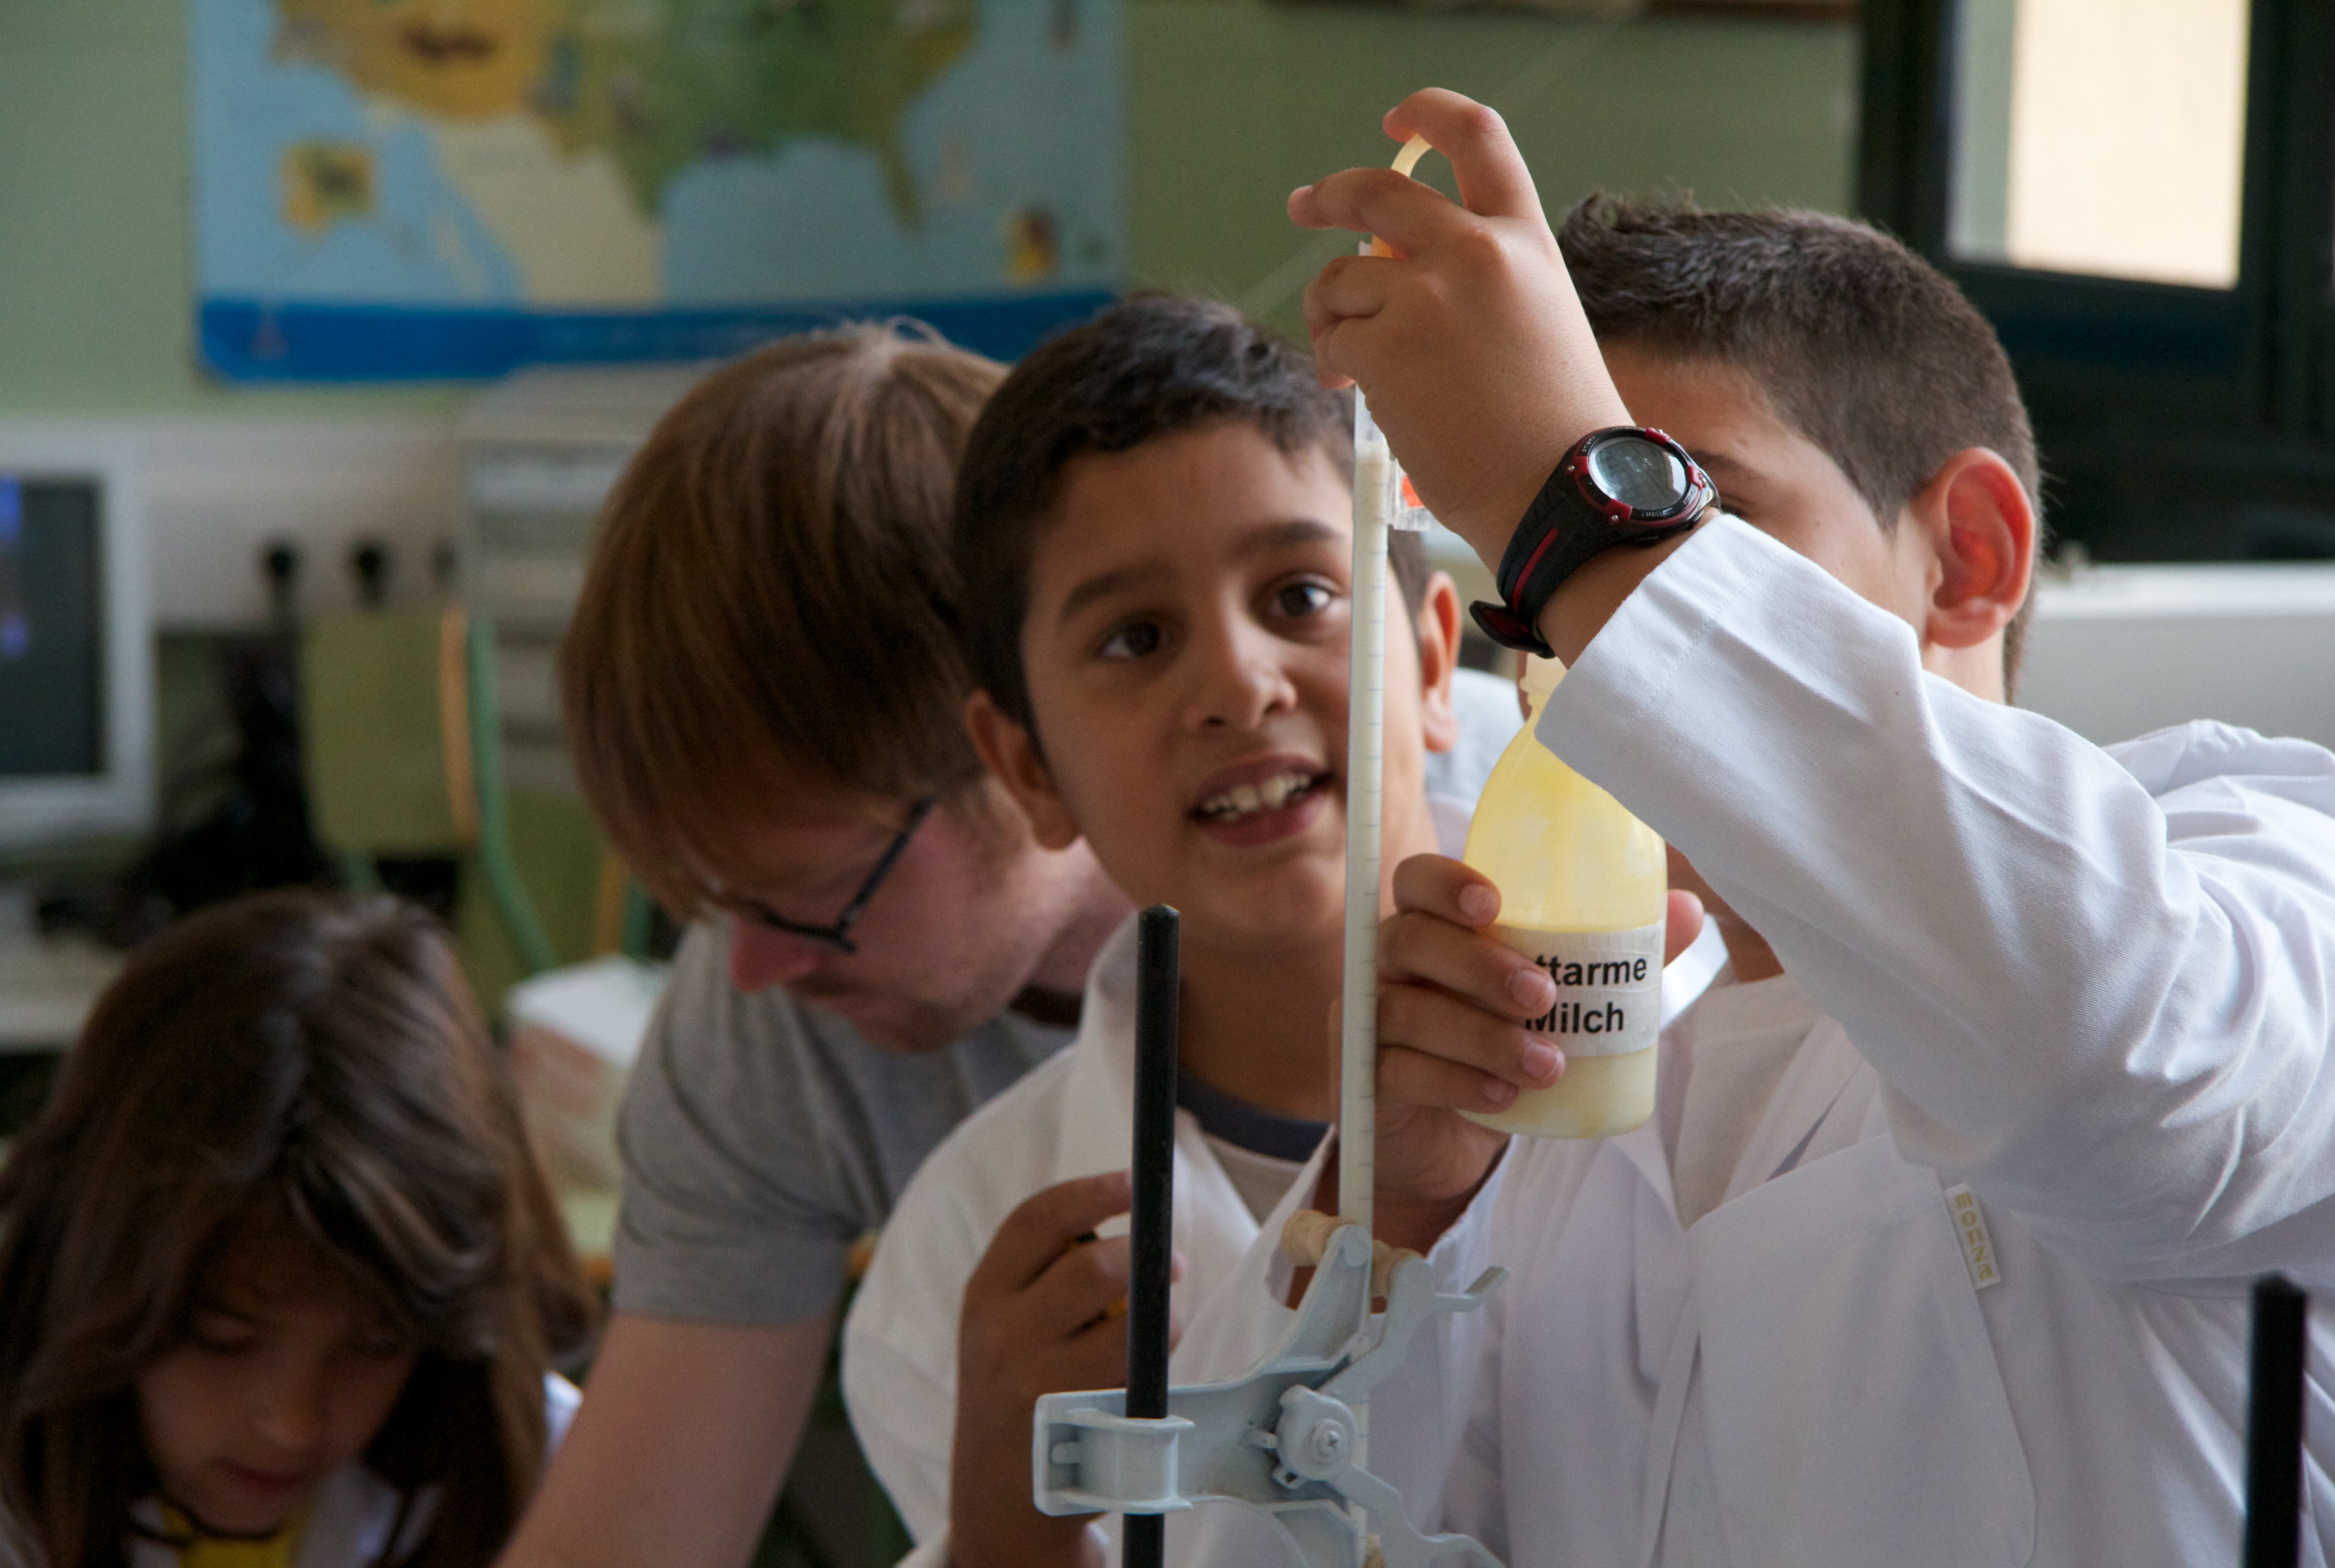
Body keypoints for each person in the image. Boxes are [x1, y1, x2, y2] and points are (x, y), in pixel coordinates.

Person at [1286, 90, 2335, 1564]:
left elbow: (2112, 1055)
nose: (1578, 639)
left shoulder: (2268, 866)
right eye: (1530, 589)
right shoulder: (1563, 1082)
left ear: (1967, 555)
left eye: (1689, 512)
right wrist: (1392, 1218)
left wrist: (1568, 502)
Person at [506, 323, 1522, 1568]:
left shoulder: (1597, 846)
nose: (753, 967)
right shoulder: (793, 1037)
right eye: (1138, 637)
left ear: (1004, 768)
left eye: (810, 894)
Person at [838, 293, 1699, 1568]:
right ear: (1023, 766)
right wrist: (1010, 1526)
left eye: (1301, 595)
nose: (1239, 686)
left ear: (1432, 663)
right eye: (1136, 638)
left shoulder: (1696, 1054)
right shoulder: (972, 1258)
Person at [0, 890, 592, 1568]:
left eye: (375, 1345)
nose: (294, 1425)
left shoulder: (566, 1476)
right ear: (90, 1271)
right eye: (225, 1339)